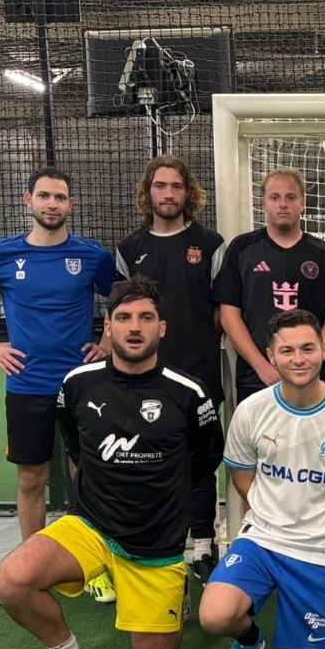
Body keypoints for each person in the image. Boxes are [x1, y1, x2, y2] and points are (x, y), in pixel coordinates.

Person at [0, 276, 224, 649]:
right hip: (92, 526)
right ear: (108, 326)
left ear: (162, 328)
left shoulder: (189, 393)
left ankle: (173, 591)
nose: (134, 327)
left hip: (156, 543)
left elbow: (205, 459)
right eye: (124, 317)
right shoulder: (77, 385)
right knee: (12, 581)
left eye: (146, 318)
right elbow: (76, 446)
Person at [201, 309, 325, 649]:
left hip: (320, 548)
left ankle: (294, 605)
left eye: (307, 348)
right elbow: (241, 473)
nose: (298, 359)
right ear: (271, 355)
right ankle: (249, 641)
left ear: (324, 350)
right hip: (263, 538)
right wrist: (271, 510)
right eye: (287, 351)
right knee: (215, 616)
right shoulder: (251, 410)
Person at [0, 166, 116, 552]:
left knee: (86, 476)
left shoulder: (92, 255)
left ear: (71, 205)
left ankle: (89, 559)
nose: (52, 204)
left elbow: (121, 300)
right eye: (44, 196)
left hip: (80, 385)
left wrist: (106, 344)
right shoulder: (2, 253)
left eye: (60, 197)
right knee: (31, 478)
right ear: (28, 201)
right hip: (27, 383)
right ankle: (33, 561)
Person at [113, 154, 228, 581]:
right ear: (148, 192)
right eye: (160, 186)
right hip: (143, 379)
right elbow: (121, 315)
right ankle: (149, 542)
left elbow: (221, 313)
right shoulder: (129, 250)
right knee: (145, 460)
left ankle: (203, 546)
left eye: (176, 186)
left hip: (199, 374)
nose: (168, 193)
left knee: (200, 463)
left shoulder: (211, 245)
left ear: (188, 193)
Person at [215, 169, 325, 405]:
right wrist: (262, 367)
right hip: (257, 378)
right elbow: (229, 315)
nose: (283, 204)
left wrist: (313, 362)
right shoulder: (242, 249)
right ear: (263, 203)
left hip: (313, 378)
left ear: (303, 203)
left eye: (290, 197)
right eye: (275, 197)